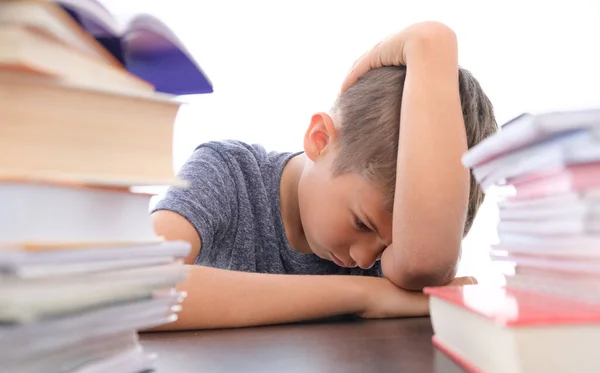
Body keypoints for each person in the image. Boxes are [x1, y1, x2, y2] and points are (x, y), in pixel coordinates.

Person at [150, 21, 498, 330]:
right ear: (320, 139)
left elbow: (425, 260)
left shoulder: (401, 253)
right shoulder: (228, 174)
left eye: (391, 246)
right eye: (363, 224)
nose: (365, 260)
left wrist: (430, 48)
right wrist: (366, 295)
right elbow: (133, 288)